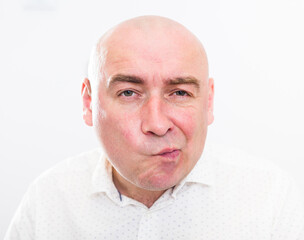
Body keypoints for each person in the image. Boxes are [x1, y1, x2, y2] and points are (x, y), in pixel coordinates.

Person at [5, 15, 304, 240]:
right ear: (88, 103)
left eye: (180, 93)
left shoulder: (270, 200)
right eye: (128, 93)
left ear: (209, 102)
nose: (158, 125)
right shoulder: (48, 201)